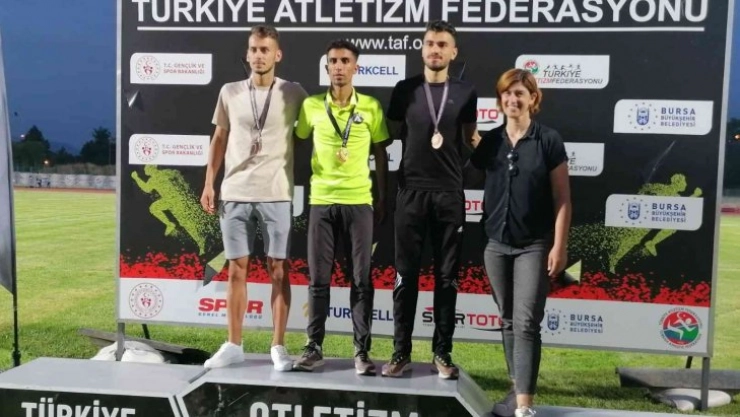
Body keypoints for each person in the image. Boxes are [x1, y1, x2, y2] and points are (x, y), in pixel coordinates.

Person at [199, 25, 308, 371]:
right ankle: (234, 344)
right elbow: (219, 138)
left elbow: (312, 131)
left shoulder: (294, 92)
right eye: (254, 49)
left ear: (278, 54)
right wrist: (209, 183)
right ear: (247, 54)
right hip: (234, 192)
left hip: (277, 193)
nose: (259, 56)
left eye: (265, 50)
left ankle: (278, 346)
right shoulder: (229, 91)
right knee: (236, 270)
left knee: (279, 270)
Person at [381, 20, 480, 380]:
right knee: (405, 277)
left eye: (442, 44)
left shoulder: (466, 92)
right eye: (429, 43)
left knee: (446, 278)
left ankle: (442, 353)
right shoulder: (404, 89)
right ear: (422, 49)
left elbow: (471, 139)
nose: (435, 49)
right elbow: (386, 138)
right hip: (410, 193)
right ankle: (400, 352)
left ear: (453, 52)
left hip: (449, 194)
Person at [470, 68, 572, 417]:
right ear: (500, 100)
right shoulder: (490, 142)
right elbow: (465, 164)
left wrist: (559, 246)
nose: (512, 99)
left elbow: (562, 199)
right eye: (507, 94)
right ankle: (517, 389)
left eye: (519, 94)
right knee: (508, 319)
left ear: (533, 99)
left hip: (534, 245)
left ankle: (524, 407)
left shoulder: (548, 140)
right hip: (495, 245)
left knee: (526, 322)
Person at [292, 39, 390, 376]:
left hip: (359, 202)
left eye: (345, 61)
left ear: (355, 67)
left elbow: (381, 154)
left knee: (361, 279)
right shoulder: (310, 106)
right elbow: (296, 142)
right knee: (319, 280)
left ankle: (361, 351)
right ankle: (314, 347)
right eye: (333, 61)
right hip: (321, 201)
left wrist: (382, 198)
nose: (338, 67)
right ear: (327, 67)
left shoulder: (371, 107)